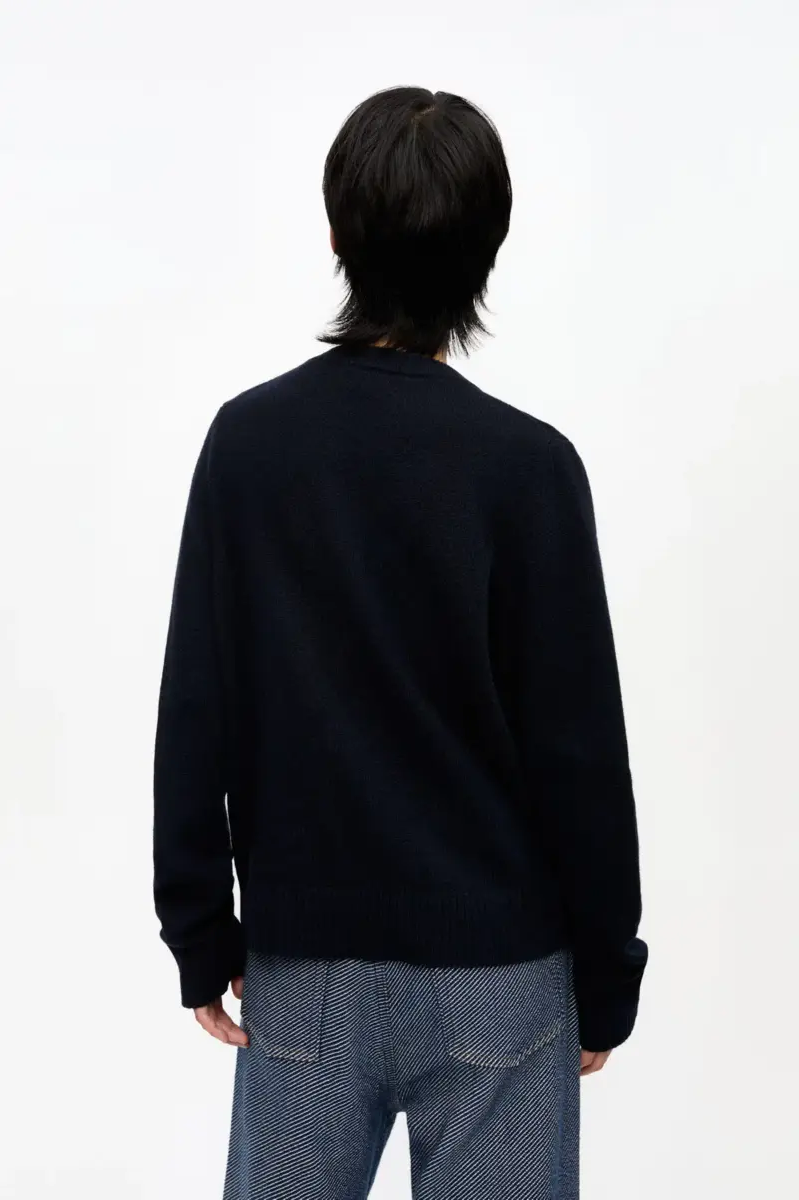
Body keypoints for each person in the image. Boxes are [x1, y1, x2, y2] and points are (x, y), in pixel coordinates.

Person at [153, 85, 648, 1200]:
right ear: (489, 248)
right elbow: (579, 751)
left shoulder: (249, 446)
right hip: (502, 978)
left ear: (338, 234)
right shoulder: (529, 468)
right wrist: (606, 974)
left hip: (306, 971)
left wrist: (198, 928)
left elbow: (198, 705)